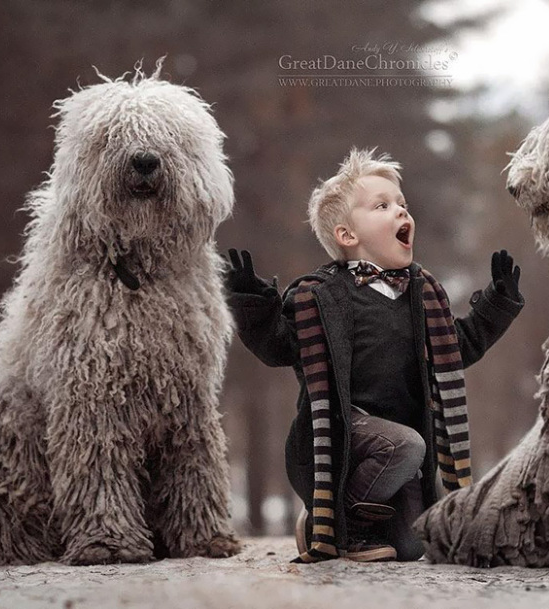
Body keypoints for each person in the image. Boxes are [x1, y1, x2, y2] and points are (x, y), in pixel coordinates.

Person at [225, 148, 524, 562]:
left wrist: (498, 303)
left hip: (399, 453)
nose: (401, 212)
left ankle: (345, 525)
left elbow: (459, 346)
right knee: (405, 444)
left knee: (412, 546)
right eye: (383, 206)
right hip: (335, 439)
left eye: (402, 204)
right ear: (347, 235)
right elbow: (277, 346)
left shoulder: (424, 295)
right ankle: (336, 522)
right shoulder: (318, 295)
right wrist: (253, 302)